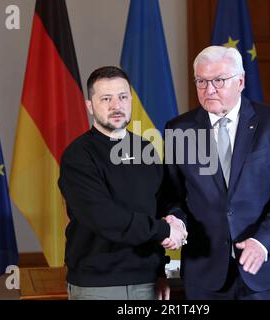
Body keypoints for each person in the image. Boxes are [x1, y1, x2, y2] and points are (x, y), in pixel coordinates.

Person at [162, 46, 270, 300]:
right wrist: (177, 220)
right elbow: (172, 194)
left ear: (240, 81)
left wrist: (262, 241)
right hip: (205, 272)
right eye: (201, 81)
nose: (209, 89)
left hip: (264, 268)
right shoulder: (178, 129)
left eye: (218, 80)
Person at [58, 66, 187, 300]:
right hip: (98, 286)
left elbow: (163, 202)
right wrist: (164, 230)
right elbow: (105, 217)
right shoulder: (78, 156)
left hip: (147, 281)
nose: (116, 106)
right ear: (89, 106)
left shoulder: (145, 149)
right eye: (106, 98)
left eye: (122, 97)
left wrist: (175, 224)